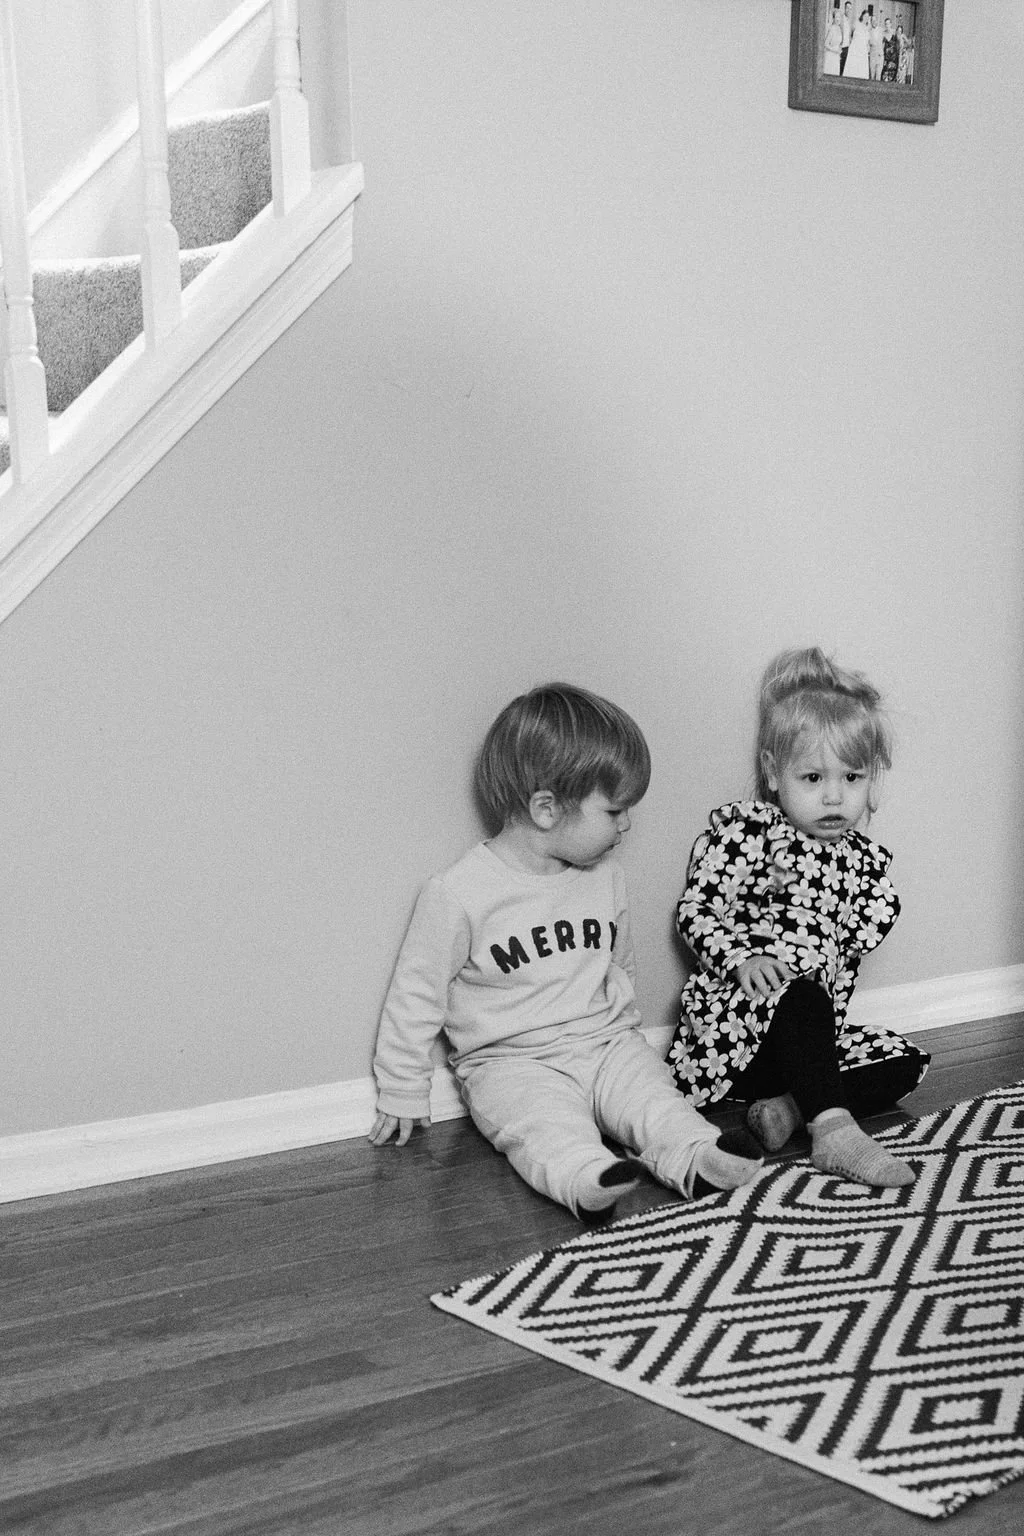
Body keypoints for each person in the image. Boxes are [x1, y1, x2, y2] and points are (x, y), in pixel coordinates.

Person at [370, 682, 764, 1221]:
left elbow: (616, 966)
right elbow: (416, 994)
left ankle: (698, 1155)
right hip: (511, 1062)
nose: (626, 825)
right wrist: (402, 1089)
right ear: (547, 808)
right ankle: (586, 1177)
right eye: (615, 810)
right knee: (544, 1126)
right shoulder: (459, 894)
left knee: (654, 1101)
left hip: (604, 1042)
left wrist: (626, 1033)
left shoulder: (606, 878)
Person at [667, 647, 930, 1189]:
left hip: (811, 1043)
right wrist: (743, 957)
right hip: (741, 1029)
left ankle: (790, 1111)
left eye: (853, 778)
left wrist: (864, 864)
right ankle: (833, 1132)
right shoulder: (749, 833)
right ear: (772, 772)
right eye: (812, 778)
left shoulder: (862, 858)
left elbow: (866, 933)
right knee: (803, 993)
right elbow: (696, 910)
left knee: (904, 1060)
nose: (834, 796)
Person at [845, 9, 872, 79]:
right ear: (862, 16)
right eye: (865, 16)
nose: (866, 18)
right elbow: (850, 34)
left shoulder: (868, 28)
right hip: (854, 50)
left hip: (862, 52)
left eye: (868, 17)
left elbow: (868, 41)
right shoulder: (856, 24)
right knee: (852, 69)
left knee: (861, 71)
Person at [824, 6, 843, 75]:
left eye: (839, 17)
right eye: (836, 17)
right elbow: (825, 44)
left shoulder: (839, 29)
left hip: (836, 56)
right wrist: (834, 50)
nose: (838, 19)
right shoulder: (832, 29)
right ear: (834, 18)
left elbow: (838, 42)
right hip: (830, 56)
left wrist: (839, 49)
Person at [868, 8, 884, 80]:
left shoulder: (881, 30)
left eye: (875, 20)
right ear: (871, 22)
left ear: (877, 21)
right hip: (872, 56)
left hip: (880, 56)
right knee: (872, 75)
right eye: (872, 20)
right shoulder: (869, 31)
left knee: (878, 77)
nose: (874, 22)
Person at [881, 17, 899, 81]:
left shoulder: (894, 33)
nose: (887, 25)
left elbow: (899, 42)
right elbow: (881, 45)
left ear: (891, 24)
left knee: (892, 76)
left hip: (893, 59)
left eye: (888, 23)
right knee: (884, 76)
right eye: (886, 24)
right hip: (886, 58)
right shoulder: (883, 33)